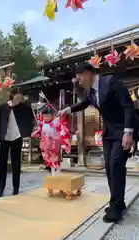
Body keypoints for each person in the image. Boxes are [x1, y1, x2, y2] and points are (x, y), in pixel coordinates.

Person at [59, 62, 136, 223]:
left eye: (79, 77)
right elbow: (84, 103)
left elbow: (128, 106)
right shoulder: (90, 91)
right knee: (109, 166)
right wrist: (67, 110)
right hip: (109, 133)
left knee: (116, 164)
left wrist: (129, 132)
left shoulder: (112, 82)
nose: (78, 81)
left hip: (123, 131)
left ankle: (115, 206)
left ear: (88, 73)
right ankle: (118, 202)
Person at [0, 87, 33, 197]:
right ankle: (0, 188)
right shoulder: (3, 107)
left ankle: (16, 188)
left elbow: (30, 121)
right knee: (2, 164)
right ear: (12, 96)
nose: (20, 98)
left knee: (16, 164)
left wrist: (27, 134)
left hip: (17, 137)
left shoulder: (25, 108)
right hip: (4, 137)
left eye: (21, 96)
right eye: (18, 96)